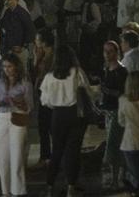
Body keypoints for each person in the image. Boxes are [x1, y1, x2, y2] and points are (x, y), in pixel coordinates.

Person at [39, 45, 88, 197]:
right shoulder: (77, 73)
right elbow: (87, 91)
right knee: (72, 152)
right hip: (74, 114)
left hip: (57, 115)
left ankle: (49, 186)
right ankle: (71, 187)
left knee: (57, 151)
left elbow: (44, 100)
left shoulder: (49, 76)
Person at [0, 54, 32, 197]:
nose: (7, 69)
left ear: (16, 66)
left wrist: (19, 102)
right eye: (4, 66)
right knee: (2, 156)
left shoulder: (25, 83)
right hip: (2, 117)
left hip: (18, 116)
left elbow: (30, 107)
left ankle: (18, 191)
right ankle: (5, 191)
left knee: (17, 156)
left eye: (9, 66)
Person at [100, 40, 128, 189]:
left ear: (116, 53)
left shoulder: (121, 71)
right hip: (109, 111)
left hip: (118, 111)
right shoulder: (106, 68)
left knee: (114, 145)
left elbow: (124, 93)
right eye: (105, 51)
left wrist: (108, 91)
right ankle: (116, 178)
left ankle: (119, 178)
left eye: (110, 51)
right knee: (114, 145)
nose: (107, 54)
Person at [31, 29, 55, 168]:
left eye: (37, 40)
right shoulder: (43, 55)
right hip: (43, 94)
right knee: (44, 126)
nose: (35, 42)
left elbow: (40, 75)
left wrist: (36, 59)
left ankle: (48, 156)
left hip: (49, 95)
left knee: (46, 126)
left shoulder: (50, 58)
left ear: (44, 42)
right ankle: (46, 155)